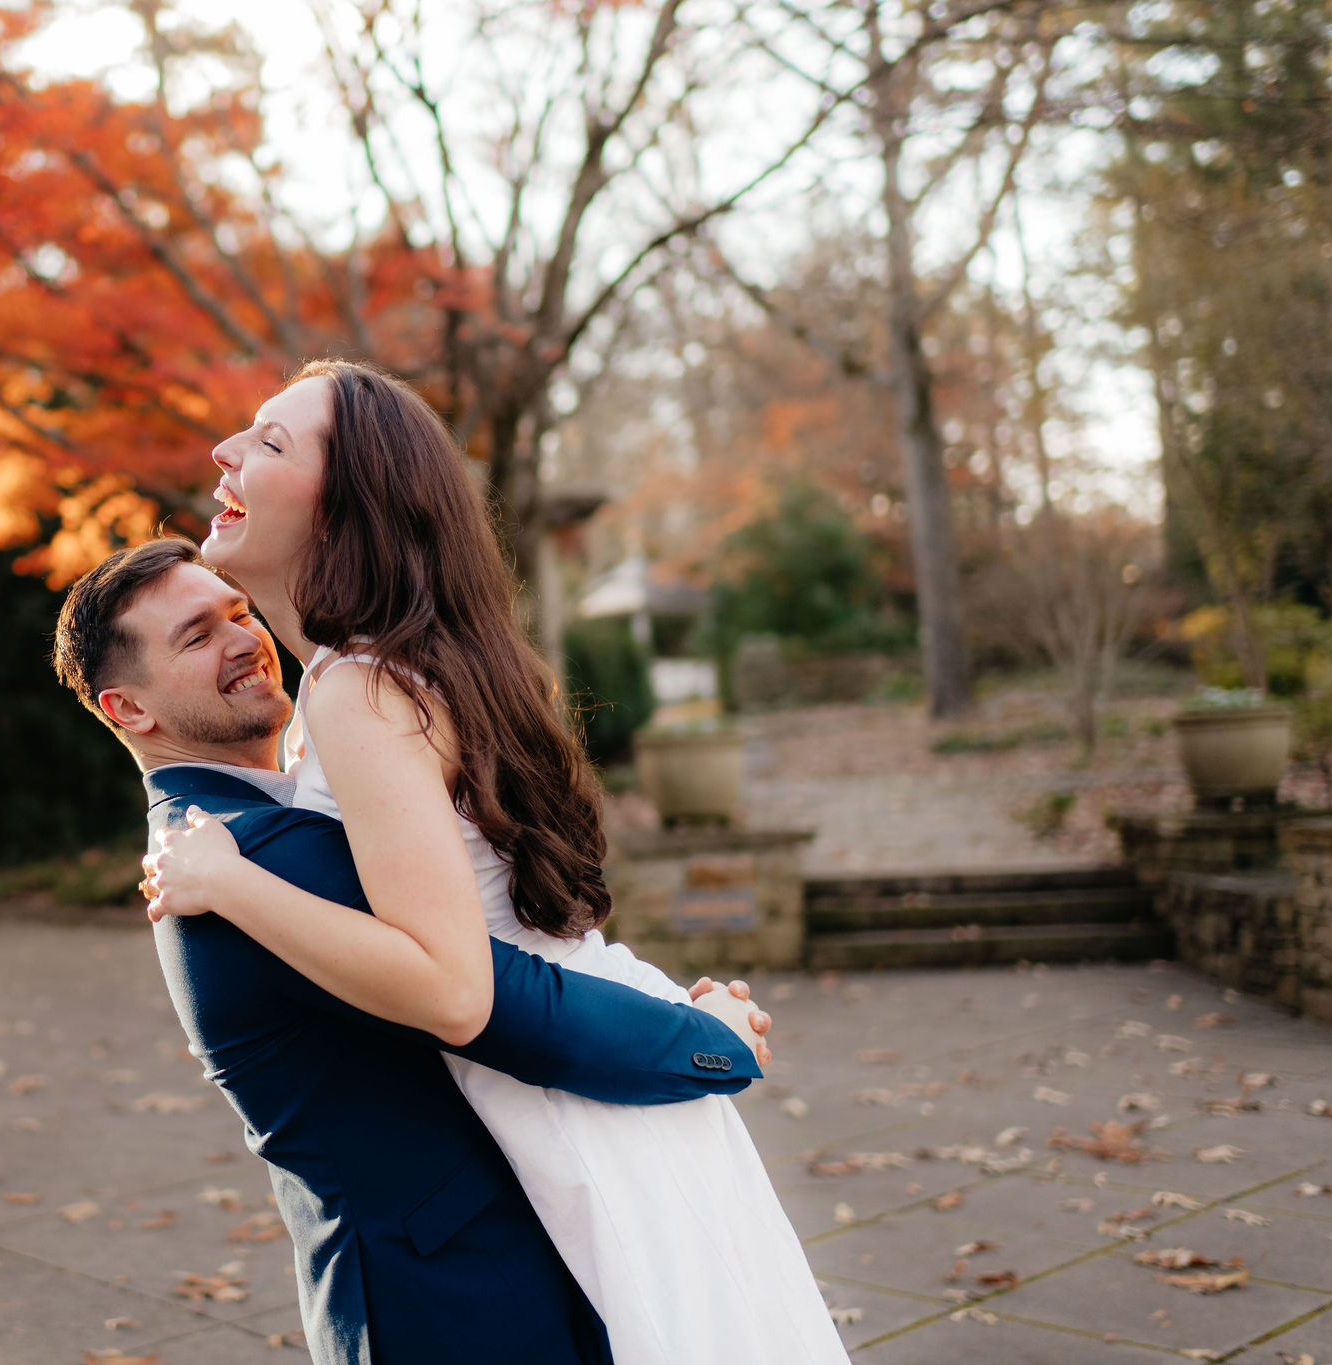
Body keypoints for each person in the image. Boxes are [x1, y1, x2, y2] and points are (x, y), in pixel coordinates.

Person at [144, 360, 852, 1365]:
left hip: (573, 1113)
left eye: (270, 441)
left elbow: (453, 987)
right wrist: (684, 1030)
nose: (225, 451)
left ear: (349, 508)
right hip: (582, 1092)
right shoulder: (383, 679)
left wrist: (231, 884)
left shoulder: (356, 691)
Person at [51, 537, 774, 1365]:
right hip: (455, 1302)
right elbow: (508, 1005)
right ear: (129, 710)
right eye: (196, 635)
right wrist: (706, 1037)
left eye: (238, 612)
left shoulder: (243, 830)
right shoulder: (253, 849)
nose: (243, 638)